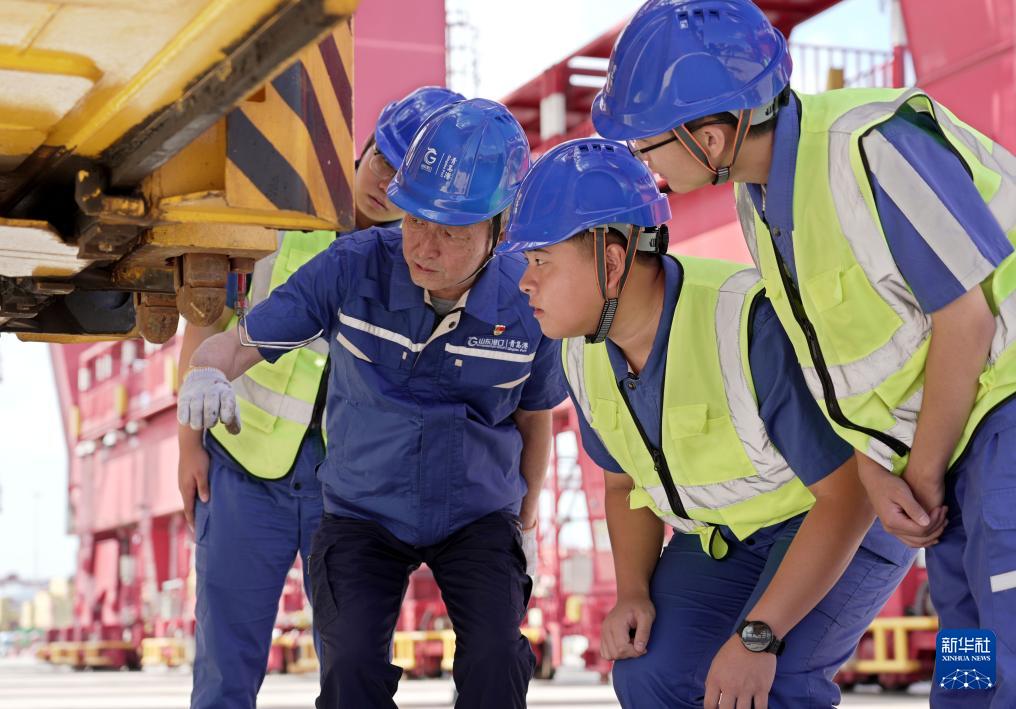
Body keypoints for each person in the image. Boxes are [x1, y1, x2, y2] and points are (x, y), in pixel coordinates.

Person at [592, 1, 1016, 706]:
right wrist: (880, 466)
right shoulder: (760, 205)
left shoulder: (871, 145)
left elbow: (966, 320)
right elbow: (842, 372)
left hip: (999, 421)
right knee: (968, 649)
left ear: (710, 136)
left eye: (648, 144)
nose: (645, 163)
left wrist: (920, 469)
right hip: (945, 443)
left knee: (1009, 640)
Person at [177, 97, 566, 709]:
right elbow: (239, 342)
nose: (424, 247)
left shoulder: (528, 301)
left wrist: (527, 520)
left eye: (451, 232)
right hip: (364, 509)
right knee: (351, 661)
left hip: (476, 512)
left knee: (496, 656)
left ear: (499, 229)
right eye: (414, 221)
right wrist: (205, 373)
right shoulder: (352, 267)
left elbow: (534, 416)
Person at [498, 137, 914, 708]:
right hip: (724, 535)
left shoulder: (748, 323)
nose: (525, 282)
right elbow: (623, 484)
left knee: (772, 683)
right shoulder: (580, 353)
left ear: (612, 262)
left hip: (841, 520)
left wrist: (758, 637)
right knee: (648, 673)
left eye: (541, 261)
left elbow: (848, 495)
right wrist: (632, 592)